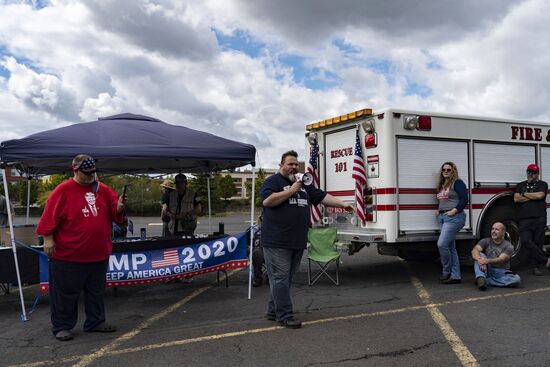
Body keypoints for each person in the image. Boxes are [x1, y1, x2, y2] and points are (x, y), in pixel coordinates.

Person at [36, 154, 126, 341]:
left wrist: (118, 208)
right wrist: (48, 238)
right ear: (75, 170)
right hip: (69, 255)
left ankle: (95, 322)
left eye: (93, 171)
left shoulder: (103, 189)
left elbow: (114, 212)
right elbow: (48, 218)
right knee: (65, 294)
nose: (91, 175)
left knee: (96, 292)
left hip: (98, 254)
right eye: (87, 173)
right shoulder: (62, 190)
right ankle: (62, 326)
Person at [261, 150, 354, 329]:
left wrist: (343, 204)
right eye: (290, 164)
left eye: (296, 164)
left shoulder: (304, 184)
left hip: (297, 240)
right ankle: (285, 315)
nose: (294, 167)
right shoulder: (272, 182)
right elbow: (267, 201)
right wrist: (292, 191)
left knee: (285, 278)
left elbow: (322, 196)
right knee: (280, 277)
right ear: (281, 165)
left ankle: (273, 310)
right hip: (276, 241)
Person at [514, 163, 550, 275]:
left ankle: (536, 267)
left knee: (538, 242)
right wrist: (531, 196)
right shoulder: (520, 185)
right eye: (529, 172)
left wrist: (524, 194)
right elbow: (516, 199)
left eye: (533, 172)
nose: (530, 174)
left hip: (539, 218)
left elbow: (540, 196)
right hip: (524, 219)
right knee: (525, 240)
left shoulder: (543, 184)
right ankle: (546, 260)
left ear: (537, 174)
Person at [436, 161, 468, 284]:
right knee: (451, 247)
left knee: (441, 244)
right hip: (443, 217)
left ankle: (446, 271)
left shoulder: (457, 182)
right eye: (444, 170)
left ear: (453, 170)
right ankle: (456, 276)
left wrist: (455, 210)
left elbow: (465, 198)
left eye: (448, 170)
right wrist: (438, 210)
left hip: (454, 218)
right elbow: (444, 200)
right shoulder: (443, 184)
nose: (445, 172)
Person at [471, 222, 521, 290]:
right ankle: (481, 278)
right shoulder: (485, 241)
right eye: (492, 229)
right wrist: (480, 260)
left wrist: (486, 261)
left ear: (503, 232)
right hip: (487, 269)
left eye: (497, 229)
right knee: (480, 255)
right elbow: (474, 250)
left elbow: (501, 259)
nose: (493, 231)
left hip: (501, 272)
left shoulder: (509, 246)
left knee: (516, 280)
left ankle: (487, 281)